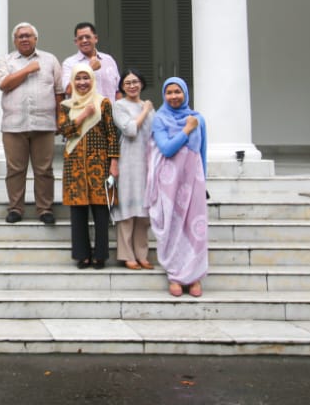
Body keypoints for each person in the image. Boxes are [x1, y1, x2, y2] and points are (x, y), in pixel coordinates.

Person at [0, 22, 64, 224]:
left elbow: (59, 91)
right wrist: (27, 69)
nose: (24, 39)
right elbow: (4, 84)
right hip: (14, 125)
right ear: (15, 41)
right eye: (20, 36)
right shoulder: (6, 60)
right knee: (15, 169)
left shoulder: (50, 60)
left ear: (36, 39)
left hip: (44, 124)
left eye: (28, 35)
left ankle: (45, 209)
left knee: (44, 169)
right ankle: (16, 208)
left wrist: (60, 118)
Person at [147, 76, 209, 297]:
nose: (174, 97)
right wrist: (186, 130)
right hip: (170, 182)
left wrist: (205, 182)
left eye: (177, 92)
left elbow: (202, 152)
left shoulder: (198, 119)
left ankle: (195, 277)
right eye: (169, 92)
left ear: (185, 93)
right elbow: (165, 148)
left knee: (196, 228)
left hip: (193, 179)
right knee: (172, 227)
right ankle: (175, 274)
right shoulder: (160, 119)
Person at [57, 63, 120, 269]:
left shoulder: (103, 103)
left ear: (92, 80)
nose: (82, 83)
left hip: (99, 163)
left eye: (86, 79)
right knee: (78, 211)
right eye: (78, 79)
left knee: (101, 211)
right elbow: (64, 131)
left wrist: (114, 162)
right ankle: (82, 255)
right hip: (74, 163)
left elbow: (112, 134)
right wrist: (83, 115)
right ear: (73, 81)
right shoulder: (66, 106)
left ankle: (101, 254)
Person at [110, 68, 155, 270]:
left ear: (142, 84)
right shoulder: (119, 105)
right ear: (122, 86)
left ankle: (142, 254)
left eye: (135, 81)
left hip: (147, 162)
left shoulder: (150, 108)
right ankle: (127, 255)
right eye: (127, 83)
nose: (132, 86)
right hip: (127, 161)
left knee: (143, 213)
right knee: (127, 211)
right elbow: (129, 130)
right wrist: (144, 111)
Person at [59, 22, 120, 101]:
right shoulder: (69, 63)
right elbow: (68, 90)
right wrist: (89, 69)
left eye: (88, 37)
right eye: (80, 38)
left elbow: (118, 91)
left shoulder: (109, 60)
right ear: (76, 42)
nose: (84, 40)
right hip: (85, 112)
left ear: (96, 38)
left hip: (110, 112)